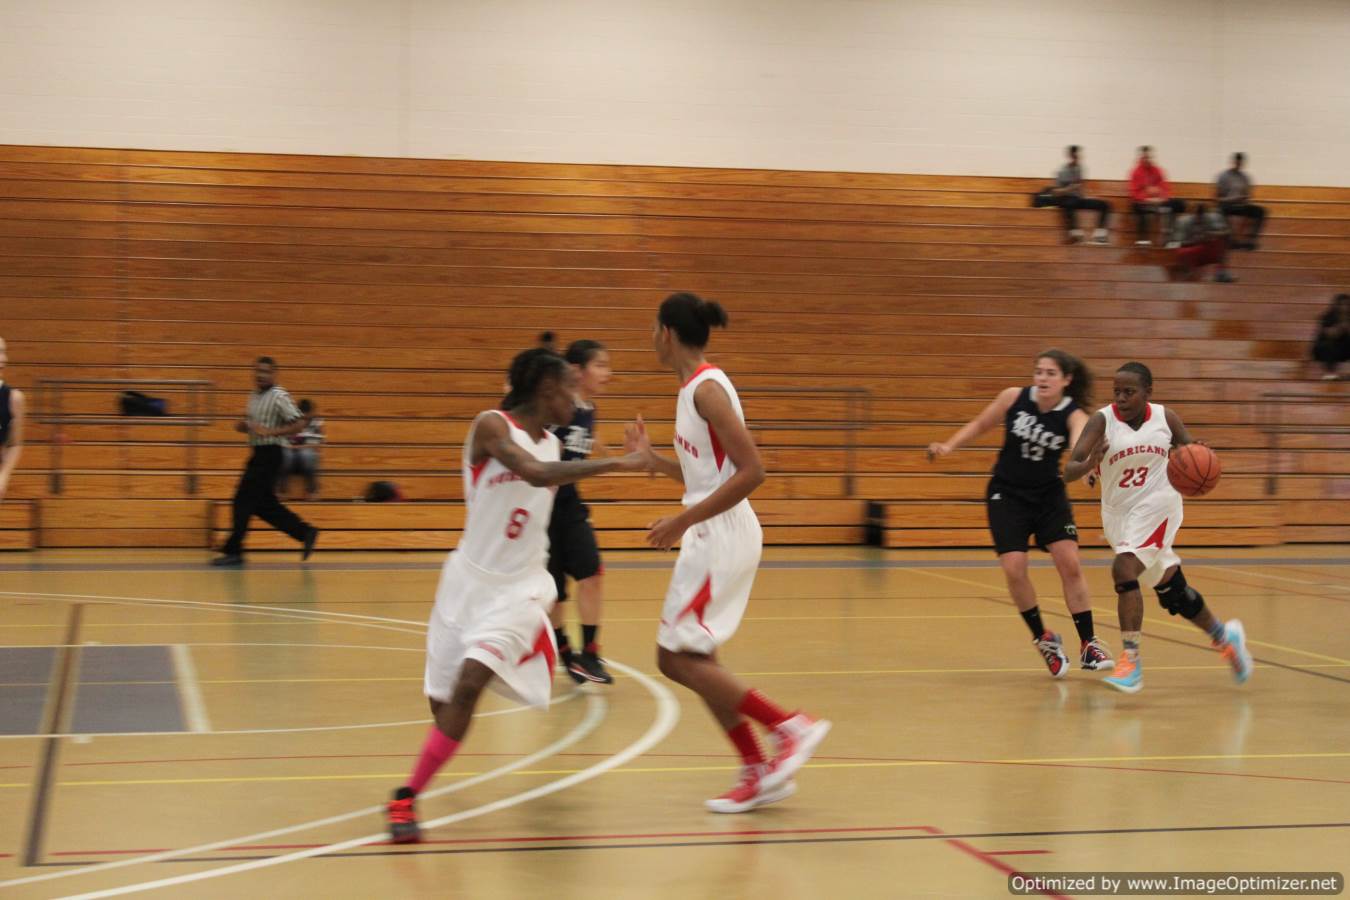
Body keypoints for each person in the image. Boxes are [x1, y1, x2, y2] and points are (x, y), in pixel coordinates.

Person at [385, 347, 651, 843]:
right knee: (442, 700)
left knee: (468, 685)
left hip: (522, 589)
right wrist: (620, 462)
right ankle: (436, 753)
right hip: (466, 582)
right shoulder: (491, 427)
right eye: (569, 389)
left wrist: (634, 461)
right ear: (547, 390)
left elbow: (551, 474)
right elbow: (533, 473)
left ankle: (405, 797)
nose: (578, 400)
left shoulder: (554, 443)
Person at [625, 292, 830, 814]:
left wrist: (681, 521)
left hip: (719, 534)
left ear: (667, 333)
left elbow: (752, 471)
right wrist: (652, 461)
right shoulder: (693, 390)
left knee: (672, 657)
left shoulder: (707, 390)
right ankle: (757, 769)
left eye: (653, 329)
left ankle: (787, 727)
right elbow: (705, 474)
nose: (651, 337)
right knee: (698, 658)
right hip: (716, 530)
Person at [1063, 362, 1254, 694]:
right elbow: (1069, 470)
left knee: (1124, 569)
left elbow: (1190, 454)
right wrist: (1091, 461)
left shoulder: (1166, 419)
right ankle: (1225, 637)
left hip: (1159, 507)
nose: (1121, 398)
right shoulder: (1102, 421)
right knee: (1175, 593)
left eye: (1129, 392)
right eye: (1116, 391)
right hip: (1119, 516)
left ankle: (1131, 663)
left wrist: (1200, 454)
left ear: (1148, 392)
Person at [927, 350, 1112, 676]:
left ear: (1066, 380)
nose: (1041, 378)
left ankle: (1089, 645)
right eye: (1038, 371)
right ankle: (1044, 639)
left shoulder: (1073, 415)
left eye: (1050, 373)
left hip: (1048, 496)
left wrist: (1087, 470)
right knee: (1014, 568)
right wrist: (948, 446)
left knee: (1069, 562)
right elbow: (980, 424)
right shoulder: (1013, 397)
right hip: (1007, 494)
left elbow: (1079, 448)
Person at [548, 339, 615, 684]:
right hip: (539, 508)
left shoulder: (589, 410)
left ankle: (590, 654)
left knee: (592, 574)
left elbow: (588, 447)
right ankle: (564, 652)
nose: (608, 373)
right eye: (600, 365)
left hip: (570, 503)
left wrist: (623, 456)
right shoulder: (553, 406)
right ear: (577, 370)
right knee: (552, 590)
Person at [212, 356, 318, 566]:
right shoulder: (253, 395)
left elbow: (299, 424)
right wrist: (244, 426)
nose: (260, 375)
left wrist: (271, 431)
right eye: (257, 371)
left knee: (241, 501)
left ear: (274, 374)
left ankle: (235, 551)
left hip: (271, 454)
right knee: (263, 505)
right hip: (258, 453)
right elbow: (253, 424)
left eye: (266, 372)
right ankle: (305, 532)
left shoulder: (279, 396)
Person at [1049, 145, 1111, 244]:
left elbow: (1080, 188)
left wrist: (1086, 196)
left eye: (1078, 157)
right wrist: (1069, 189)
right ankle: (1074, 234)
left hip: (1078, 199)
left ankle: (1099, 235)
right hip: (1067, 199)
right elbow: (1055, 192)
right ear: (1070, 156)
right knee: (1069, 203)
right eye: (1075, 157)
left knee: (1105, 205)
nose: (1077, 159)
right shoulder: (1062, 171)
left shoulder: (1080, 169)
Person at [1129, 146, 1186, 247]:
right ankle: (1143, 240)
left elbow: (1166, 188)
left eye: (1150, 157)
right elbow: (1134, 193)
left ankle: (1171, 239)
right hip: (1143, 202)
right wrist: (1148, 197)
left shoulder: (1158, 170)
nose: (1148, 159)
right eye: (1145, 157)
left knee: (1179, 204)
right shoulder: (1135, 172)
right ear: (1141, 157)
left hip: (1159, 201)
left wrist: (1160, 197)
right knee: (1138, 207)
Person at [1169, 204, 1237, 283]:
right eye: (1197, 218)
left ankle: (1220, 272)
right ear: (1191, 215)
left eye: (1202, 218)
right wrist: (1195, 241)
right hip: (1191, 249)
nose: (1199, 220)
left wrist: (1214, 234)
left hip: (1206, 249)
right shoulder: (1182, 221)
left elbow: (1227, 233)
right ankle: (1189, 272)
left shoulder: (1212, 218)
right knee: (1180, 252)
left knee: (1221, 241)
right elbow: (1177, 242)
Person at [1215, 152, 1266, 250]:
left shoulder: (1245, 178)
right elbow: (1218, 198)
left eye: (1240, 163)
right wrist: (1232, 199)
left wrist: (1245, 198)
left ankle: (1251, 240)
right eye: (1237, 162)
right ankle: (1230, 240)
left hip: (1241, 204)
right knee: (1221, 211)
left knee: (1260, 211)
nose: (1238, 165)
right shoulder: (1223, 176)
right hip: (1227, 204)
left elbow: (1248, 195)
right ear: (1233, 162)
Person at [278, 398, 324, 499]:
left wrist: (294, 446)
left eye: (308, 418)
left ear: (312, 414)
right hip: (289, 460)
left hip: (306, 462)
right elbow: (279, 442)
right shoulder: (287, 421)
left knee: (306, 454)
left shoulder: (316, 423)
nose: (305, 421)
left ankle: (311, 489)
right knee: (285, 454)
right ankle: (282, 490)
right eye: (302, 418)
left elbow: (315, 446)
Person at [0, 336, 27, 506]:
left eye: (3, 352)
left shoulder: (14, 398)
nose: (4, 358)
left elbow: (16, 444)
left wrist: (3, 476)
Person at [1311, 294, 1350, 380]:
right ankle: (1330, 373)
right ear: (1336, 306)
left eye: (1347, 305)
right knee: (1330, 344)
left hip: (1343, 351)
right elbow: (1330, 334)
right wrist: (1341, 326)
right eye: (1342, 304)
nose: (1345, 307)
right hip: (1324, 350)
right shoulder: (1328, 316)